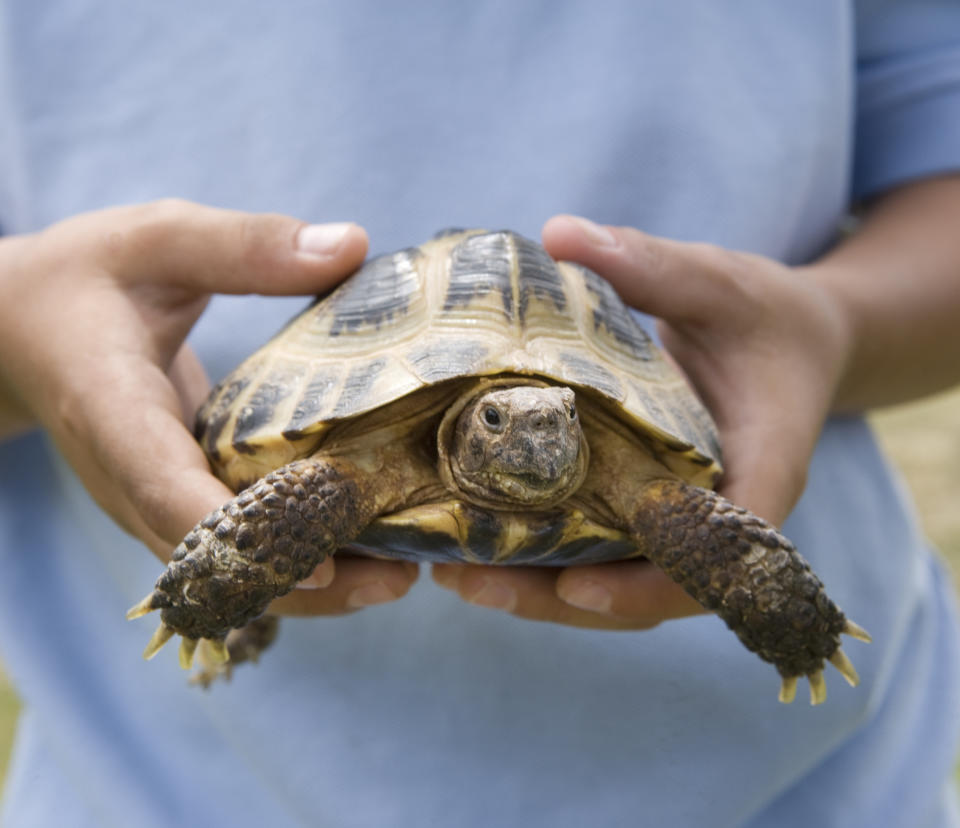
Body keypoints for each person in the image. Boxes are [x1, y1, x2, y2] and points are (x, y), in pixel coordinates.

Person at [0, 2, 958, 825]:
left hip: (811, 792)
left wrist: (834, 325)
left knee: (695, 524)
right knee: (267, 530)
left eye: (559, 424)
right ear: (463, 429)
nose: (540, 435)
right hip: (148, 786)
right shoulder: (352, 462)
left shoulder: (637, 482)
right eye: (504, 421)